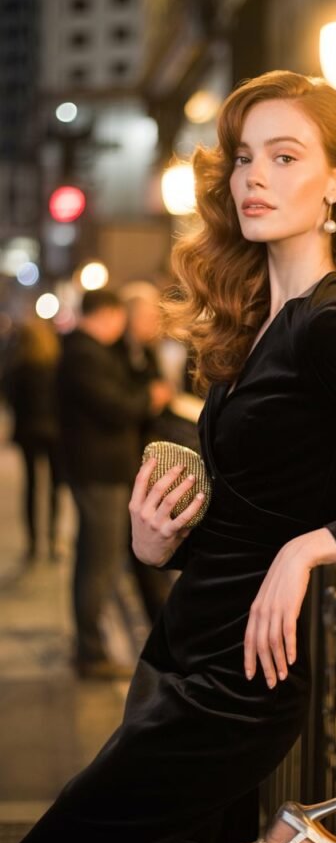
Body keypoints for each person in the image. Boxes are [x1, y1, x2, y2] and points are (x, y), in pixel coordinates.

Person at [0, 71, 336, 843]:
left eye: (284, 155)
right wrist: (163, 546)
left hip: (242, 675)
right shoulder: (267, 314)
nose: (253, 178)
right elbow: (259, 504)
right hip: (184, 641)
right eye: (242, 159)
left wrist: (313, 547)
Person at [56, 288, 172, 679]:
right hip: (100, 474)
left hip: (100, 472)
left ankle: (90, 647)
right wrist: (150, 398)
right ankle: (91, 652)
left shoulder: (88, 351)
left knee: (96, 560)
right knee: (99, 564)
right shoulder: (84, 353)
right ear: (107, 315)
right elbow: (115, 406)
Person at [117, 281, 176, 623]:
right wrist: (151, 398)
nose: (154, 320)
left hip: (151, 459)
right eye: (148, 314)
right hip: (127, 461)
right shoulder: (117, 351)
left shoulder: (150, 351)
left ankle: (160, 614)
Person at [3, 317, 65, 561]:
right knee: (54, 485)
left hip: (28, 432)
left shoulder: (17, 367)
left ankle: (32, 542)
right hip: (55, 432)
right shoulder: (57, 366)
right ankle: (53, 538)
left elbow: (9, 399)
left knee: (31, 485)